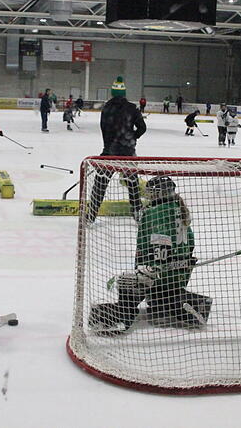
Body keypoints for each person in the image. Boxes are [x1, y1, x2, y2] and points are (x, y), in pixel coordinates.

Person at [87, 176, 212, 333]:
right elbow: (190, 242)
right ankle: (175, 305)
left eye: (152, 192)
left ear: (160, 193)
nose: (149, 195)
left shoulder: (157, 212)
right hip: (179, 276)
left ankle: (123, 317)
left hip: (162, 273)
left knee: (125, 281)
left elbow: (162, 242)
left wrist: (153, 268)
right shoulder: (178, 209)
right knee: (158, 297)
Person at [87, 76, 146, 224]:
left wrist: (109, 144)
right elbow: (142, 128)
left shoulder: (107, 108)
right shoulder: (132, 108)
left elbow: (104, 128)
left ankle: (91, 215)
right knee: (133, 184)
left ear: (112, 93)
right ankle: (137, 211)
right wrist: (131, 137)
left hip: (109, 152)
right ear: (124, 93)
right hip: (127, 153)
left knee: (100, 185)